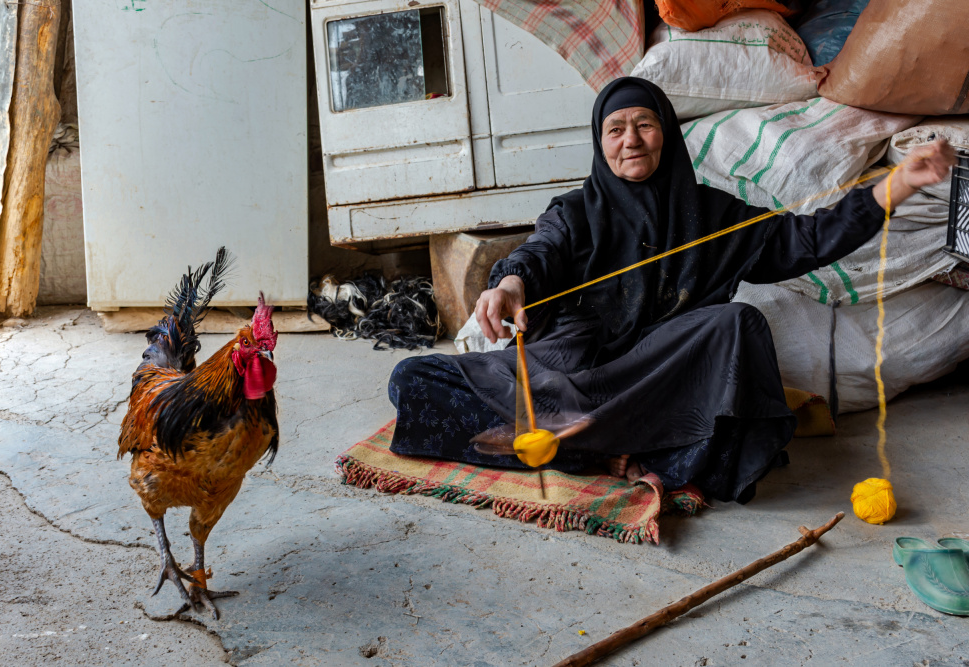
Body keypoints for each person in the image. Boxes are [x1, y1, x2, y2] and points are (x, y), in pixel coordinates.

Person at [387, 77, 955, 503]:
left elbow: (803, 239)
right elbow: (540, 253)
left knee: (737, 324)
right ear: (599, 143)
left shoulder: (711, 216)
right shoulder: (575, 212)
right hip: (572, 380)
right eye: (615, 129)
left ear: (667, 134)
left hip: (660, 380)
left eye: (645, 124)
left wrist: (896, 185)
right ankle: (611, 451)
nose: (630, 141)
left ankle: (593, 449)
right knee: (409, 381)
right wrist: (509, 283)